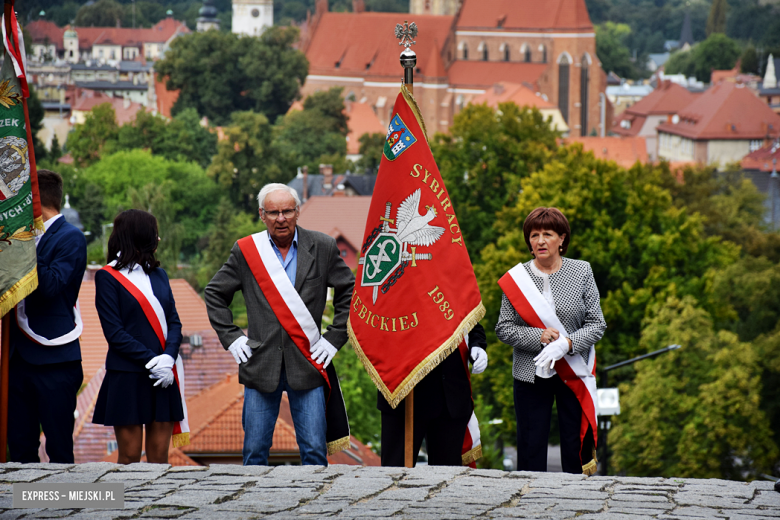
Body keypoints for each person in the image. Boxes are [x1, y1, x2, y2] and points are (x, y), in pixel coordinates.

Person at [205, 183, 355, 466]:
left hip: (308, 363)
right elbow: (214, 293)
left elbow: (350, 291)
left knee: (313, 452)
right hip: (261, 365)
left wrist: (334, 338)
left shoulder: (322, 247)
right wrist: (232, 337)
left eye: (287, 211)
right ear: (262, 215)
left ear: (298, 212)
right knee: (254, 453)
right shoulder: (246, 251)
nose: (281, 218)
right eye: (273, 212)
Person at [495, 207, 606, 474]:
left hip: (574, 370)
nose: (540, 241)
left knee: (573, 444)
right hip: (530, 374)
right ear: (529, 243)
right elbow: (504, 328)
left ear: (562, 239)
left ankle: (577, 502)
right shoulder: (516, 279)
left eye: (548, 234)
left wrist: (566, 344)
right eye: (534, 235)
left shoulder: (581, 271)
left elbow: (597, 324)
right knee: (531, 445)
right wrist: (539, 337)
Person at [92, 209, 185, 464]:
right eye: (154, 233)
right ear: (141, 236)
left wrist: (168, 358)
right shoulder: (107, 277)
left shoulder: (160, 274)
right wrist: (153, 361)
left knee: (159, 458)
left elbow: (174, 321)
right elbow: (115, 333)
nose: (158, 239)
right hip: (128, 375)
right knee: (130, 458)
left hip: (163, 376)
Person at [9, 169, 87, 463]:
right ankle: (24, 509)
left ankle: (60, 507)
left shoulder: (71, 237)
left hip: (54, 359)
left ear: (36, 201)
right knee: (19, 450)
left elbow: (51, 286)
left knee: (59, 451)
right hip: (16, 358)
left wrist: (25, 243)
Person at [378, 323, 489, 467]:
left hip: (450, 393)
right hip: (403, 394)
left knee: (448, 482)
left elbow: (470, 317)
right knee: (394, 475)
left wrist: (477, 345)